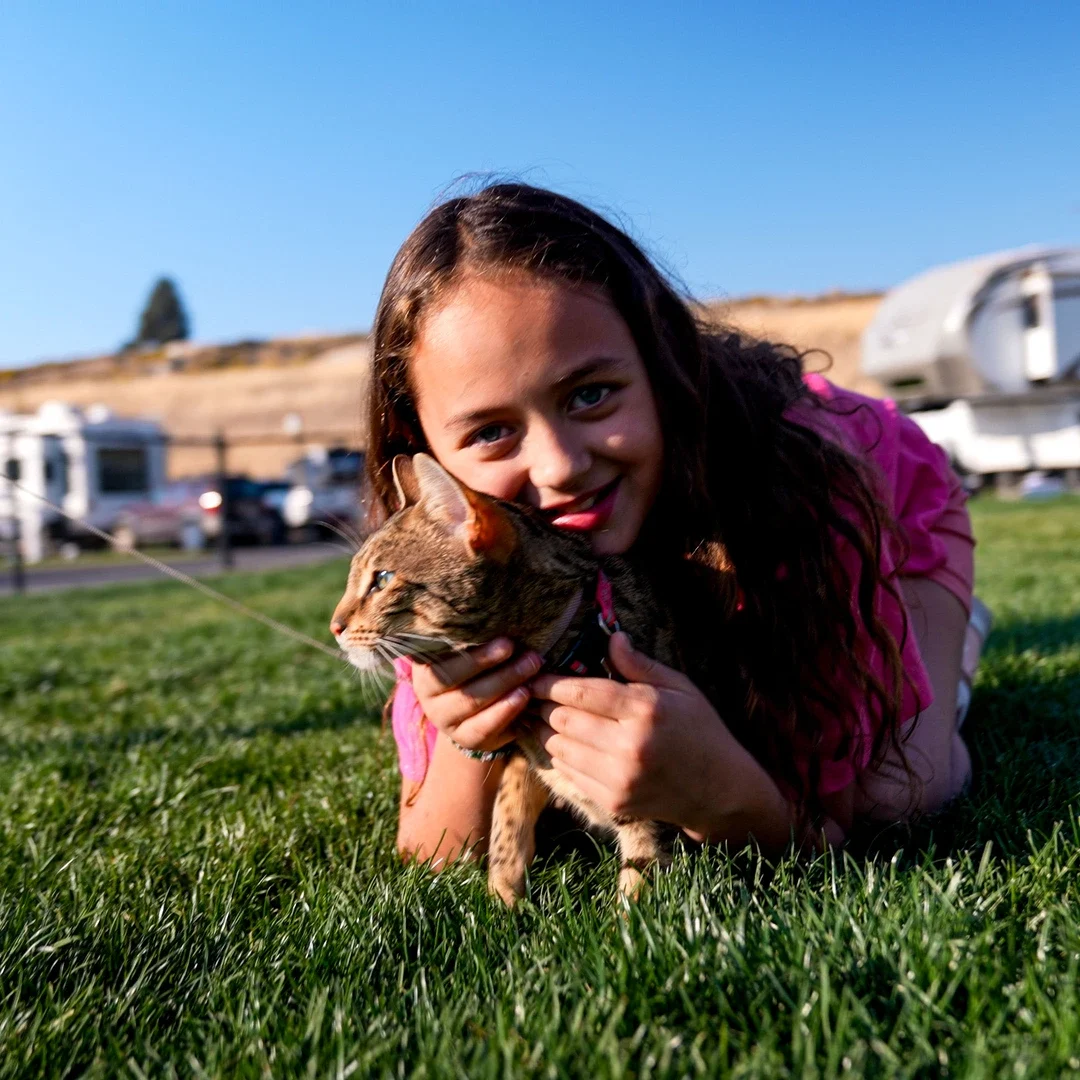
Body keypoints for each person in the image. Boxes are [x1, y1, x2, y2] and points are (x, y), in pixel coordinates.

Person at [361, 183, 987, 868]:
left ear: (661, 366)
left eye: (591, 394)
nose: (562, 465)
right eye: (489, 432)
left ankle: (949, 638)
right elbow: (432, 849)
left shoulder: (804, 488)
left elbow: (829, 824)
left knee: (898, 795)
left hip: (885, 497)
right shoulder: (451, 554)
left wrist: (724, 792)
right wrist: (471, 733)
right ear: (426, 458)